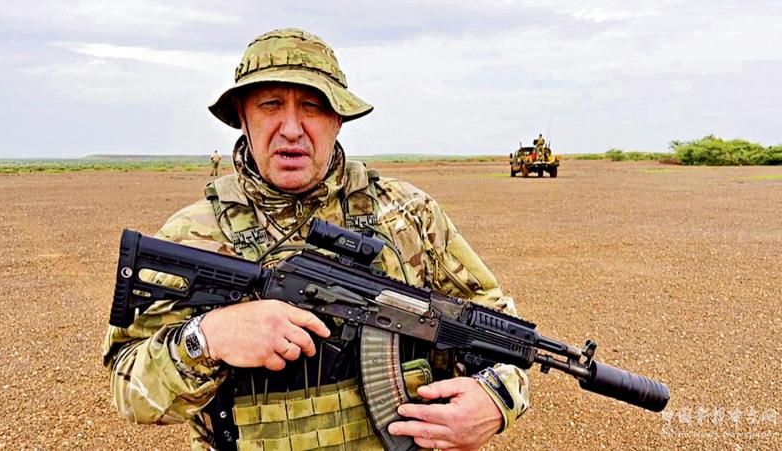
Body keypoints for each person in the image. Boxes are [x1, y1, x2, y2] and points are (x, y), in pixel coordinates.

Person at [103, 28, 529, 451]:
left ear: (337, 119)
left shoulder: (408, 215)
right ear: (243, 116)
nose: (292, 129)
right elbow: (128, 391)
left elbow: (496, 325)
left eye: (313, 106)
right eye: (270, 104)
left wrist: (497, 400)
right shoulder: (192, 235)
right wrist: (208, 337)